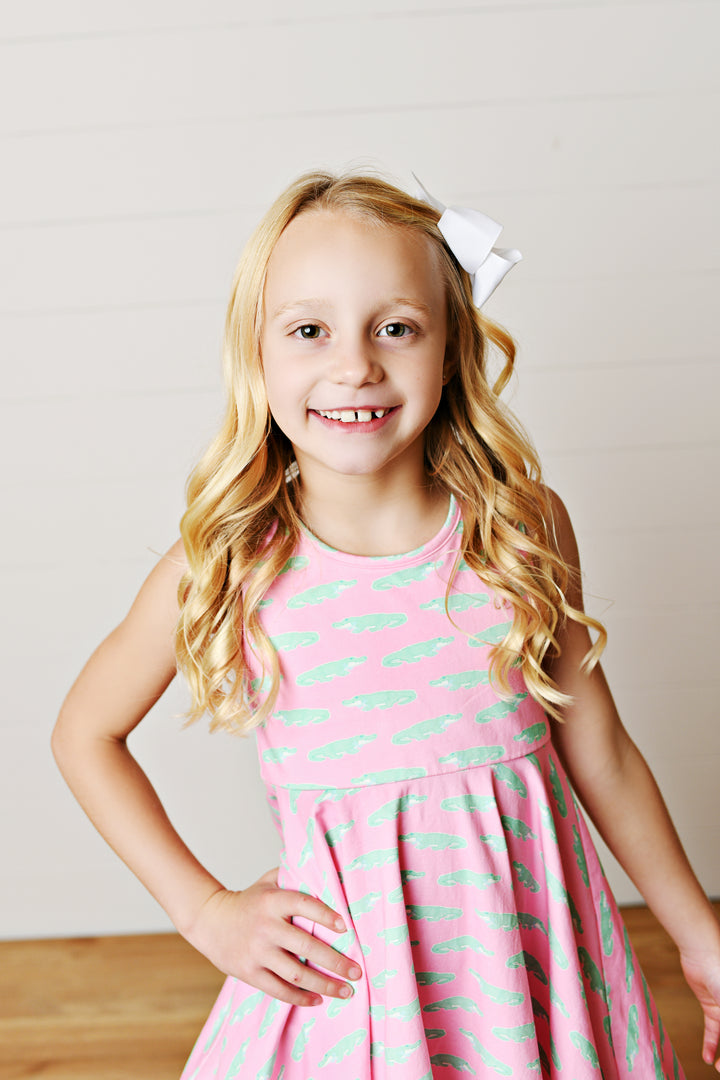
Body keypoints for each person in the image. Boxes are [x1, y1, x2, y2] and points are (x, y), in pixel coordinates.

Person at [52, 170, 720, 1079]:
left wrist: (698, 934)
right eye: (309, 330)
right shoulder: (232, 564)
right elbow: (84, 733)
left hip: (535, 983)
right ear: (259, 354)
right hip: (359, 1007)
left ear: (450, 349)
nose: (355, 365)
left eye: (395, 327)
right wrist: (205, 911)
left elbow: (598, 748)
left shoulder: (519, 531)